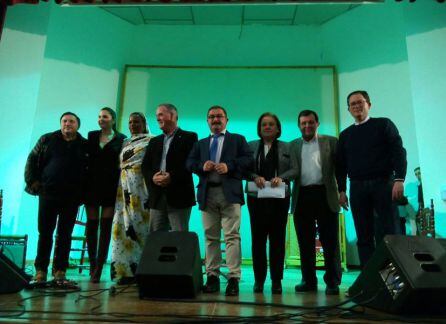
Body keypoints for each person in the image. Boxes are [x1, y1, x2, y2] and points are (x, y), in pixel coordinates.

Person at [187, 105, 253, 296]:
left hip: (230, 194)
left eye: (219, 116)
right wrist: (201, 166)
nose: (215, 120)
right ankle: (212, 276)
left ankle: (234, 278)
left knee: (232, 236)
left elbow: (248, 160)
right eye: (211, 117)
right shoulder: (200, 143)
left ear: (226, 120)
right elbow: (189, 163)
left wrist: (229, 166)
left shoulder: (238, 139)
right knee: (210, 237)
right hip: (208, 194)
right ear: (207, 121)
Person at [336, 90, 407, 268]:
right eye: (353, 104)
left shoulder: (384, 124)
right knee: (363, 235)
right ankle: (368, 281)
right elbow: (340, 166)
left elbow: (398, 151)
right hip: (357, 187)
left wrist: (399, 179)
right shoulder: (345, 135)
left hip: (384, 183)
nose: (357, 106)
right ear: (349, 109)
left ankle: (395, 279)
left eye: (360, 102)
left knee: (390, 232)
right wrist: (342, 190)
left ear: (369, 104)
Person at [24, 112, 87, 283]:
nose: (68, 124)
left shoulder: (84, 145)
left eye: (71, 121)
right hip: (47, 194)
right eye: (65, 121)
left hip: (71, 198)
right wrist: (33, 182)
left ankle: (60, 270)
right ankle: (41, 271)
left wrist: (83, 194)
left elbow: (89, 171)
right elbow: (32, 159)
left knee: (65, 234)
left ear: (77, 125)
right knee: (45, 233)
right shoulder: (47, 139)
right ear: (60, 123)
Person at [290, 110, 342, 295]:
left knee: (330, 241)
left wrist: (343, 191)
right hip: (302, 196)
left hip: (325, 195)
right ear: (299, 126)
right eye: (303, 123)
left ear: (317, 123)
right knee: (305, 242)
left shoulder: (332, 142)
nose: (307, 126)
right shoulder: (292, 145)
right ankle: (309, 281)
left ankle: (333, 282)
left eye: (310, 122)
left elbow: (340, 169)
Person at [246, 112, 295, 294]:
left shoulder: (288, 147)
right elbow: (244, 170)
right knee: (257, 241)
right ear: (259, 128)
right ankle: (259, 280)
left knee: (277, 240)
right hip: (256, 199)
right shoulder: (250, 146)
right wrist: (254, 176)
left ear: (278, 128)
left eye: (271, 124)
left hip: (279, 199)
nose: (267, 127)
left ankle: (276, 281)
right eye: (264, 124)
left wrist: (281, 178)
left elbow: (295, 170)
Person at [85, 107, 126, 283]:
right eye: (99, 116)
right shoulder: (91, 135)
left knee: (105, 227)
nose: (101, 119)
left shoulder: (121, 138)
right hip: (92, 185)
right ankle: (93, 263)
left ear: (113, 120)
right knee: (92, 226)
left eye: (105, 117)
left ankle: (100, 265)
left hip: (110, 186)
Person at [141, 104, 197, 232]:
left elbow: (190, 164)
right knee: (155, 238)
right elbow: (145, 166)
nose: (157, 118)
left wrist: (172, 176)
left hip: (180, 196)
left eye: (161, 114)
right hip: (157, 197)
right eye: (156, 116)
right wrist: (153, 178)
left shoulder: (190, 137)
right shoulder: (154, 141)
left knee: (179, 238)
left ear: (172, 116)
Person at [111, 112, 152, 285]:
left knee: (141, 227)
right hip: (124, 188)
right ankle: (125, 271)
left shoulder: (152, 140)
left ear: (144, 123)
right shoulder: (125, 142)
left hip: (142, 188)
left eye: (136, 121)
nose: (133, 125)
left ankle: (145, 269)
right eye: (130, 122)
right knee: (122, 228)